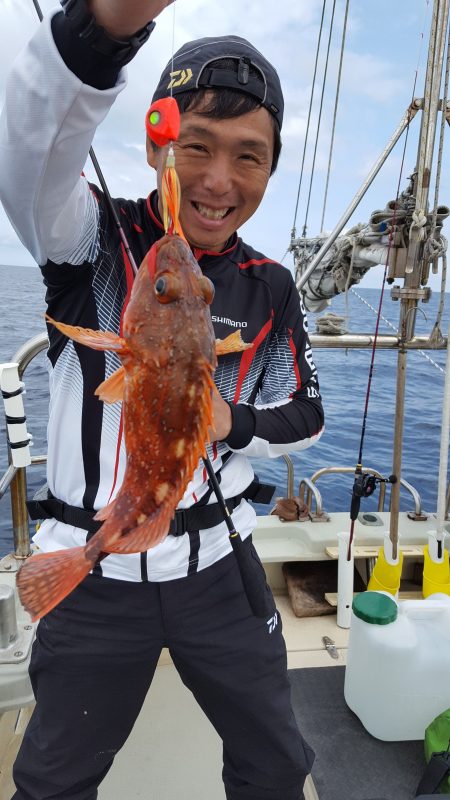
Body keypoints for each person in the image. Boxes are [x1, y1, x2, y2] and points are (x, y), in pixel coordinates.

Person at [0, 2, 324, 798]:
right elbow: (30, 158)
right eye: (197, 148)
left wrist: (232, 420)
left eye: (249, 157)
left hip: (219, 565)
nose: (218, 179)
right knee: (54, 777)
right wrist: (100, 32)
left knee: (279, 761)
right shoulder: (90, 241)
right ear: (158, 144)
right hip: (96, 569)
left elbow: (303, 414)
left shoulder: (271, 287)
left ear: (271, 170)